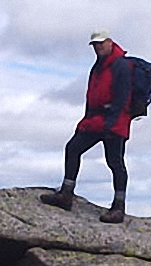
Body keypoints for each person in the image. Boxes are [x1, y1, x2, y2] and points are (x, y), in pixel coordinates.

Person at [40, 29, 133, 224]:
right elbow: (92, 96)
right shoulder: (99, 66)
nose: (98, 47)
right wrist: (85, 121)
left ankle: (118, 208)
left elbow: (123, 99)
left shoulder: (121, 66)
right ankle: (66, 195)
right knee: (73, 148)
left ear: (110, 42)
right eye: (95, 45)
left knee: (114, 162)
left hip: (114, 122)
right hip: (96, 120)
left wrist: (110, 125)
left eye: (101, 43)